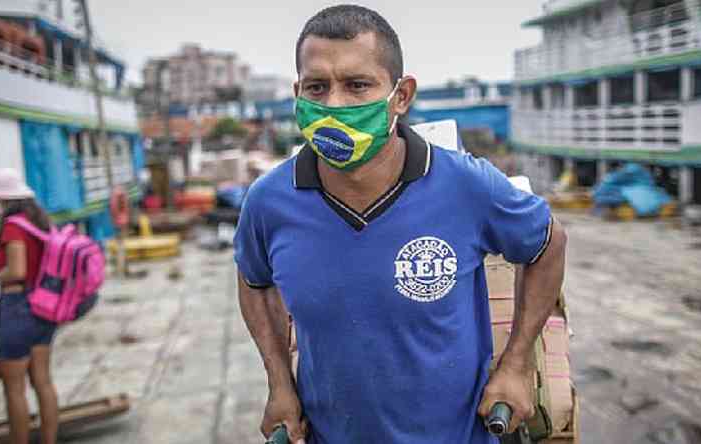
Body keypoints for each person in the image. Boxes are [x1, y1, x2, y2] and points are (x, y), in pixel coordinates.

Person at [235, 5, 567, 444]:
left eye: (357, 86)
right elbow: (253, 280)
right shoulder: (268, 203)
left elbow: (548, 241)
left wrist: (518, 363)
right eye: (317, 87)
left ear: (401, 95)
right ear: (298, 93)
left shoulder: (465, 185)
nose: (334, 105)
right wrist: (279, 383)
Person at [0, 168, 59, 444]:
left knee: (14, 389)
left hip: (17, 307)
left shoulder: (13, 225)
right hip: (44, 307)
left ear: (2, 199)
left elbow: (17, 271)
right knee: (43, 381)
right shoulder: (38, 221)